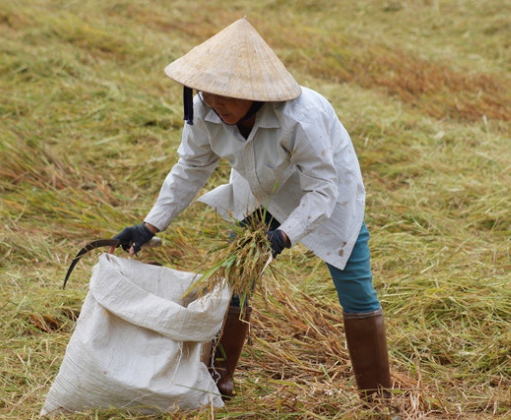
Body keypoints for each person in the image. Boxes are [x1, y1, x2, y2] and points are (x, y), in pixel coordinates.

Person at [114, 18, 393, 404]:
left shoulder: (300, 117)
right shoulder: (206, 109)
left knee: (356, 291)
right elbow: (190, 169)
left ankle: (378, 401)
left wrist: (282, 236)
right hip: (260, 195)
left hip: (328, 197)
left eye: (226, 96)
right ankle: (217, 380)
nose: (215, 104)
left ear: (255, 91)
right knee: (235, 281)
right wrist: (149, 225)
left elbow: (323, 188)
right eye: (208, 94)